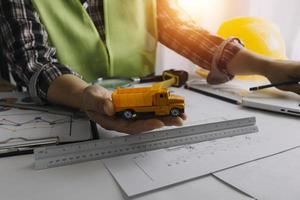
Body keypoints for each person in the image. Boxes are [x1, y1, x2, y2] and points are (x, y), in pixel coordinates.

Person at [0, 0, 299, 134]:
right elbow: (33, 59)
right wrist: (86, 96)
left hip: (134, 113)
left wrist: (268, 66)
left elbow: (184, 32)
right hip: (56, 116)